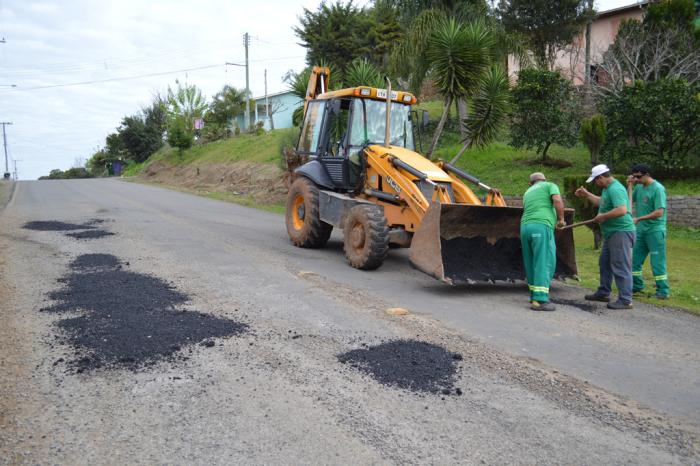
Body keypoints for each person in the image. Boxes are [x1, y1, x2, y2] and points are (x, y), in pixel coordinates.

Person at [575, 164, 636, 309]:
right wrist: (587, 194)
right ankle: (603, 292)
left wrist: (603, 217)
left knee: (621, 265)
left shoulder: (615, 189)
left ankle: (626, 300)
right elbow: (601, 202)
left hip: (621, 232)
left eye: (596, 180)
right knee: (605, 263)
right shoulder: (608, 189)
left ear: (601, 177)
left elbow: (622, 210)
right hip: (611, 233)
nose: (596, 183)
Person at [520, 172, 566, 311]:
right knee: (544, 261)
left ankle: (534, 295)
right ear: (544, 180)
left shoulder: (527, 192)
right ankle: (540, 300)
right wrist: (561, 219)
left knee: (531, 261)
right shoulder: (550, 185)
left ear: (531, 183)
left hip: (525, 227)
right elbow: (557, 200)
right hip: (541, 226)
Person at [627, 163, 670, 299]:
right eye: (634, 177)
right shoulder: (639, 187)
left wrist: (639, 218)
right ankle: (637, 286)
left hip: (655, 231)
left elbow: (659, 212)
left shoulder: (658, 189)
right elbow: (629, 203)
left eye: (638, 177)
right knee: (634, 260)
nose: (637, 179)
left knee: (657, 262)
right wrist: (630, 185)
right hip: (641, 231)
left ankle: (663, 291)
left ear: (646, 174)